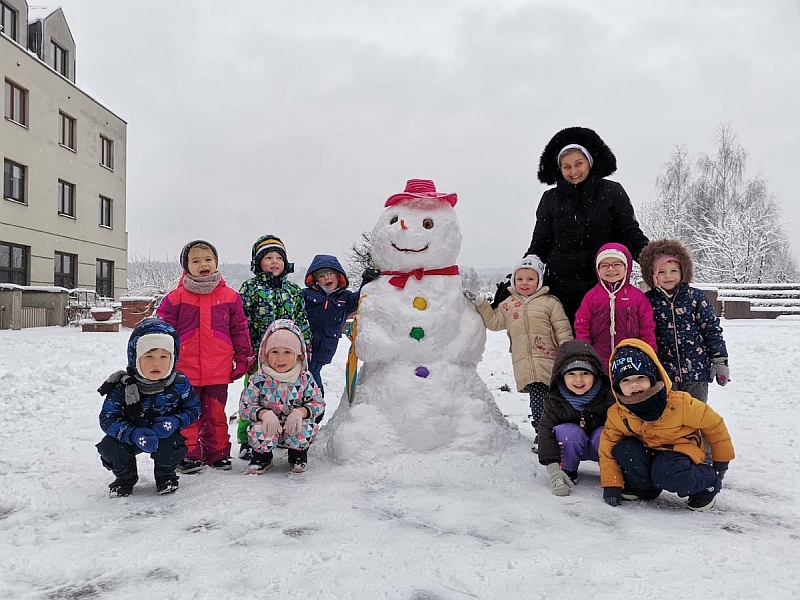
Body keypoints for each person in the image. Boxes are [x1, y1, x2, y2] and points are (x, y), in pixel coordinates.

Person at [524, 127, 649, 324]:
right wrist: (525, 271)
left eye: (578, 164)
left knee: (604, 345)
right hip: (561, 288)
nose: (573, 171)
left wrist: (654, 261)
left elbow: (629, 233)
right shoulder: (550, 199)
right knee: (566, 348)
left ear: (589, 162)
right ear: (559, 169)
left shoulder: (612, 192)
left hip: (605, 285)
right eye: (566, 167)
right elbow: (540, 243)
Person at [599, 339, 734, 511]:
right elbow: (607, 448)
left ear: (653, 376)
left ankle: (707, 484)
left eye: (641, 377)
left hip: (679, 452)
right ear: (617, 386)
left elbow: (714, 425)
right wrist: (612, 484)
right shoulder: (617, 413)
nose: (634, 384)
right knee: (624, 449)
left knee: (665, 470)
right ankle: (645, 488)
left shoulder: (679, 403)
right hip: (648, 451)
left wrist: (720, 463)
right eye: (626, 380)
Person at [157, 240, 252, 473]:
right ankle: (188, 454)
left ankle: (217, 453)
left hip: (218, 369)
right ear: (186, 266)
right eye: (196, 260)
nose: (203, 264)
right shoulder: (176, 298)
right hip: (184, 370)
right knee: (188, 415)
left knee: (216, 414)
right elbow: (162, 333)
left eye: (208, 259)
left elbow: (239, 329)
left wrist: (243, 357)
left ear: (216, 263)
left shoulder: (230, 297)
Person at [470, 255, 573, 450]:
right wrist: (481, 303)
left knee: (556, 399)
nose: (524, 283)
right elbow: (494, 322)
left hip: (551, 361)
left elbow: (562, 329)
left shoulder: (550, 302)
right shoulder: (508, 305)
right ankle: (541, 433)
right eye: (520, 279)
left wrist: (568, 355)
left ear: (539, 280)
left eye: (530, 279)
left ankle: (559, 431)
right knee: (537, 400)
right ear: (513, 281)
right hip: (525, 364)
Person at [96, 318, 201, 497]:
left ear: (173, 358)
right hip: (131, 436)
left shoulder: (179, 383)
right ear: (135, 358)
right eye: (149, 356)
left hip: (163, 435)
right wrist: (133, 433)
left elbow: (193, 409)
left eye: (163, 357)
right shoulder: (123, 386)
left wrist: (175, 422)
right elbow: (108, 418)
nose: (156, 363)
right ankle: (125, 478)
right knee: (110, 446)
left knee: (172, 444)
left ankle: (165, 475)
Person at [237, 234, 312, 460]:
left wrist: (305, 346)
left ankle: (286, 433)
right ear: (257, 263)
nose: (274, 262)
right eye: (268, 257)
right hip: (260, 356)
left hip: (288, 356)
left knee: (289, 396)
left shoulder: (292, 290)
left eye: (278, 257)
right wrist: (246, 351)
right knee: (253, 396)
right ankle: (247, 439)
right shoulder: (250, 288)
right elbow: (242, 322)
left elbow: (302, 319)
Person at [638, 238, 730, 403]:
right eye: (661, 272)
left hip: (696, 371)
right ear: (652, 275)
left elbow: (711, 329)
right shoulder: (648, 301)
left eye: (673, 270)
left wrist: (719, 360)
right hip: (665, 373)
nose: (668, 276)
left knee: (696, 414)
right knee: (671, 417)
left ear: (683, 271)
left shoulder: (695, 297)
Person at [239, 319, 324, 474]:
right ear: (265, 353)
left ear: (298, 355)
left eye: (287, 352)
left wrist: (300, 412)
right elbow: (246, 406)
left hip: (294, 425)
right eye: (274, 352)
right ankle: (262, 456)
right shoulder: (259, 378)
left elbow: (318, 403)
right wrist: (263, 414)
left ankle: (297, 454)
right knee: (259, 429)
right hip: (269, 425)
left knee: (305, 428)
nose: (280, 359)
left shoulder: (304, 378)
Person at [538, 340, 615, 496]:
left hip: (599, 447)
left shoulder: (608, 396)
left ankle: (610, 470)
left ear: (595, 375)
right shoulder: (555, 399)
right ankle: (567, 470)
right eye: (571, 374)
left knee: (606, 433)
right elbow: (545, 433)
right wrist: (554, 471)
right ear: (561, 377)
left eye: (585, 373)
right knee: (567, 432)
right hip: (570, 447)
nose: (579, 380)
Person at [302, 254, 378, 397]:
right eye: (321, 276)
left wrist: (366, 279)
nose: (326, 278)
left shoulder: (345, 297)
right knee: (303, 372)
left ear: (338, 277)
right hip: (305, 342)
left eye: (330, 273)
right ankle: (307, 401)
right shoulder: (306, 294)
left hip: (326, 344)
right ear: (315, 279)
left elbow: (360, 297)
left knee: (312, 371)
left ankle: (316, 401)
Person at [574, 243, 657, 368]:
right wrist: (585, 353)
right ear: (597, 269)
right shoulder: (592, 297)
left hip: (631, 360)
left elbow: (647, 329)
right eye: (604, 265)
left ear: (626, 267)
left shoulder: (638, 298)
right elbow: (582, 326)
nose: (611, 269)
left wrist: (649, 355)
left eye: (617, 264)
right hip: (599, 360)